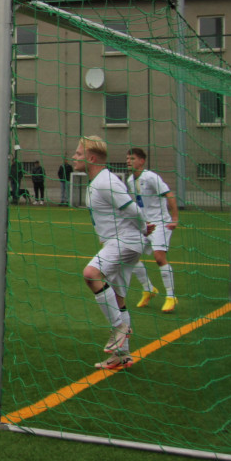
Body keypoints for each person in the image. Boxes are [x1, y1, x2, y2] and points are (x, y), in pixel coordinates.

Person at [73, 136, 155, 371]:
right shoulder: (97, 182)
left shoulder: (105, 181)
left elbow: (133, 209)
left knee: (91, 273)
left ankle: (120, 327)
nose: (74, 157)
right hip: (120, 242)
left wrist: (143, 228)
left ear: (91, 158)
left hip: (124, 241)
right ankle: (122, 356)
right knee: (118, 298)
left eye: (78, 154)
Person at [126, 147, 180, 313]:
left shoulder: (151, 177)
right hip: (145, 224)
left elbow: (169, 194)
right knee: (130, 256)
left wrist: (175, 218)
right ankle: (148, 289)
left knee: (159, 257)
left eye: (132, 158)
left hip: (160, 223)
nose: (128, 161)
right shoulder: (130, 180)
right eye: (127, 158)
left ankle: (171, 296)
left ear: (142, 161)